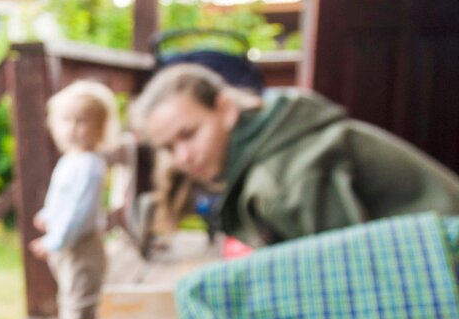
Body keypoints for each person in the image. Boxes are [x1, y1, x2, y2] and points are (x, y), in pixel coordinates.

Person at [131, 63, 459, 247]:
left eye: (189, 134)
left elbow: (354, 279)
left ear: (226, 109)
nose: (183, 156)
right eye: (169, 147)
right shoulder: (280, 129)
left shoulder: (282, 179)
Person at [29, 80, 120, 319]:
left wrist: (54, 241)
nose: (73, 127)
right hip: (66, 240)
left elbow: (79, 212)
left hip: (79, 244)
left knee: (80, 293)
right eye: (66, 120)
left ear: (100, 127)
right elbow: (62, 198)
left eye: (82, 121)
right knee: (67, 290)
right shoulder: (72, 159)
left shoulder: (90, 165)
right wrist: (48, 213)